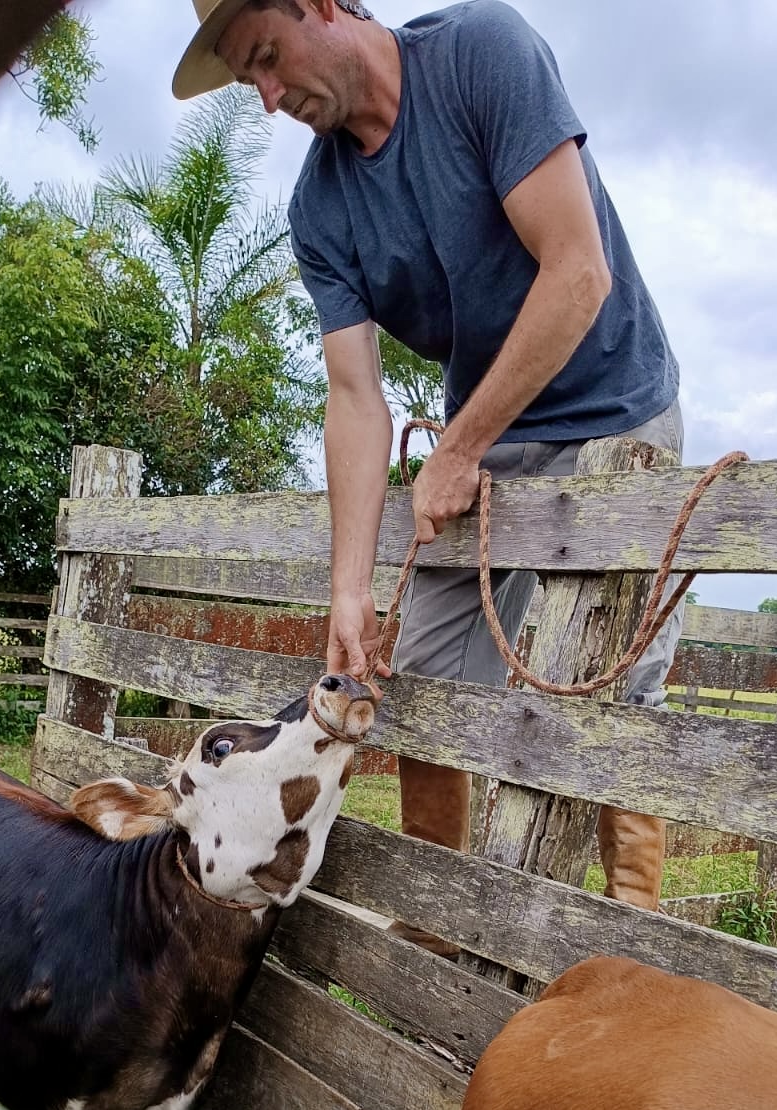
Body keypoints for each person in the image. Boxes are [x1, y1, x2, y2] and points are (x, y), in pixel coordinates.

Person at [174, 0, 683, 953]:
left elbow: (577, 273)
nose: (272, 96)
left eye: (271, 59)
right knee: (431, 683)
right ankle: (440, 941)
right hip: (486, 436)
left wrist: (456, 447)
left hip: (615, 413)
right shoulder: (319, 207)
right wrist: (349, 587)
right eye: (252, 80)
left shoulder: (482, 56)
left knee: (621, 701)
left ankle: (626, 943)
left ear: (322, 4)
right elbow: (354, 396)